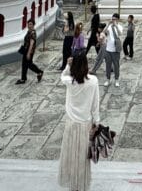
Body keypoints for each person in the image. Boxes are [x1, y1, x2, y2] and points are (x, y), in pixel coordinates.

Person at [58, 53, 100, 191]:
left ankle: (72, 185)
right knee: (82, 157)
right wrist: (97, 122)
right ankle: (81, 185)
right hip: (85, 124)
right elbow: (95, 104)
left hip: (71, 124)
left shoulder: (70, 82)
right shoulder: (93, 81)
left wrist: (68, 65)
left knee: (71, 155)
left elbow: (62, 76)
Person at [93, 13, 122, 89]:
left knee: (116, 65)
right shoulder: (109, 27)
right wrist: (108, 24)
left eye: (115, 19)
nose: (113, 20)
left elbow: (119, 33)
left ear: (118, 19)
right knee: (108, 65)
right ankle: (108, 79)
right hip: (108, 49)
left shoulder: (119, 26)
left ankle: (116, 79)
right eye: (112, 19)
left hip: (115, 49)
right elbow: (103, 32)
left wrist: (115, 25)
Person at [16, 19, 44, 84]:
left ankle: (39, 72)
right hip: (25, 50)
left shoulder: (33, 33)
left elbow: (31, 44)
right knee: (25, 65)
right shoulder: (29, 31)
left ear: (33, 25)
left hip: (29, 51)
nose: (29, 25)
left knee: (29, 64)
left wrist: (28, 53)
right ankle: (23, 79)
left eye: (31, 24)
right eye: (28, 24)